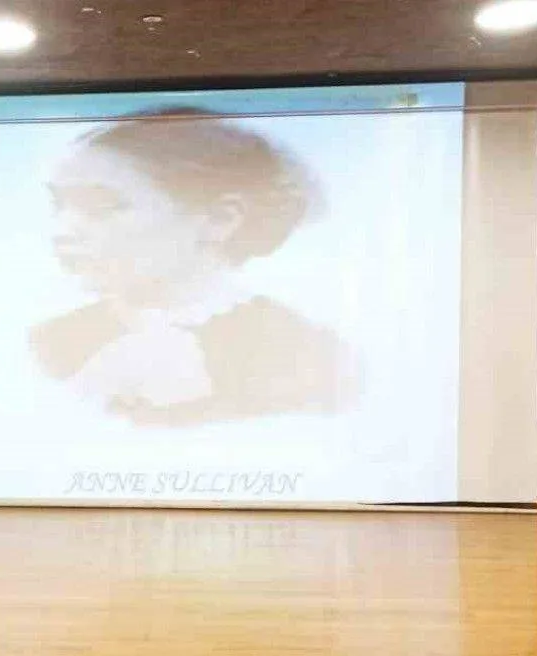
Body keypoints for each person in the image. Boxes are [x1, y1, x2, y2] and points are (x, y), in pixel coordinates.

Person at [31, 106, 357, 426]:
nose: (62, 232)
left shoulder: (308, 355)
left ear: (220, 219)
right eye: (59, 205)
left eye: (101, 206)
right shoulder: (47, 343)